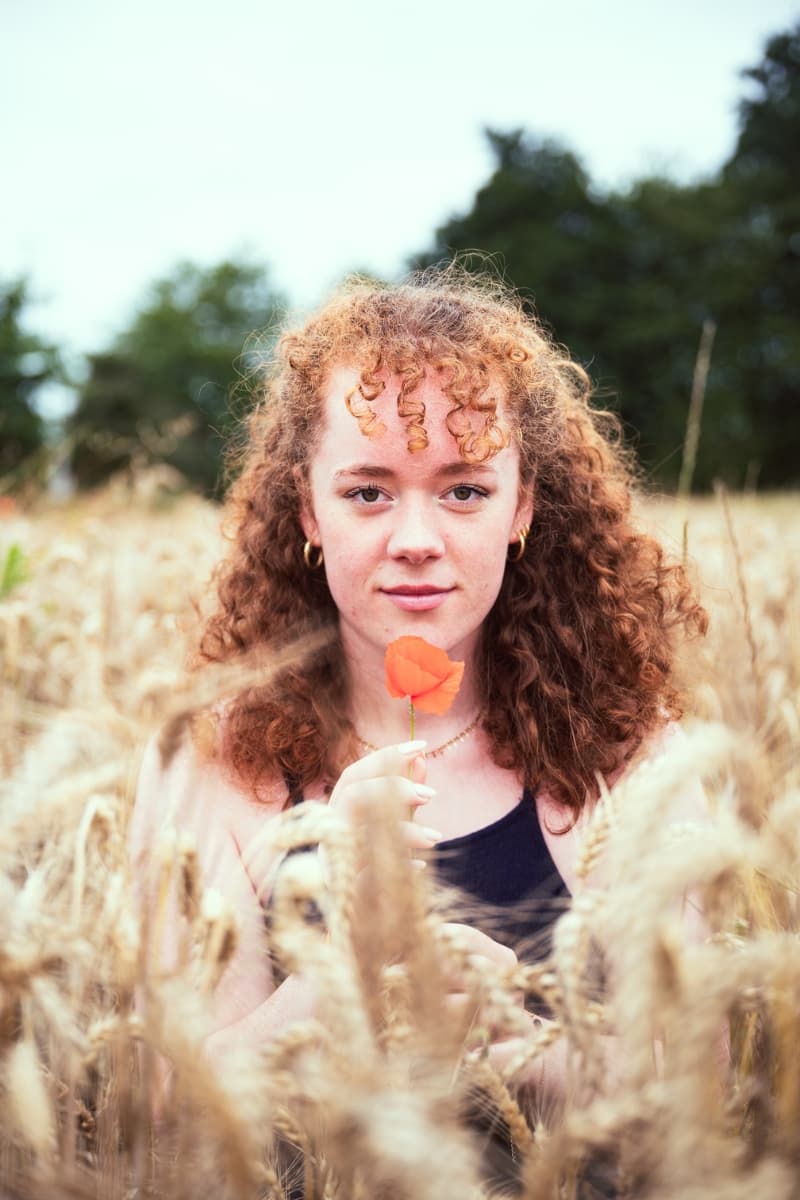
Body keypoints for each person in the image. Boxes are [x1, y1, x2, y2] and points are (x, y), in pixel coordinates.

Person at [130, 265, 706, 1102]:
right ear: (306, 513)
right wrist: (343, 977)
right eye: (367, 492)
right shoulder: (213, 761)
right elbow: (159, 1118)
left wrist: (514, 1043)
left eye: (465, 490)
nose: (415, 539)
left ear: (522, 510)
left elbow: (704, 1098)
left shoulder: (633, 758)